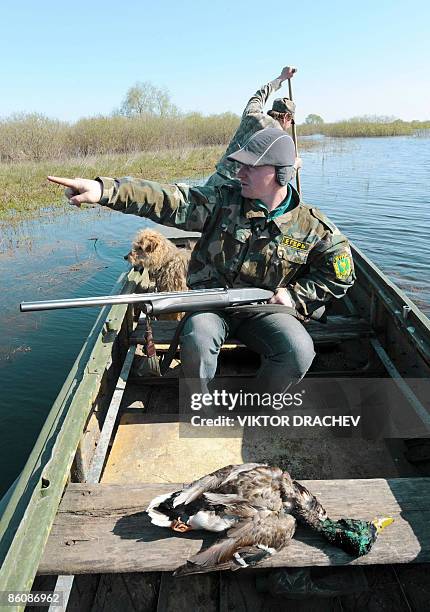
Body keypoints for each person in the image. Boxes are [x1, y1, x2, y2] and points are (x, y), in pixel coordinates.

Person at [48, 128, 354, 397]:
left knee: (298, 351)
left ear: (280, 173)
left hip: (265, 309)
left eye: (251, 167)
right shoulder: (222, 201)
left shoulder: (313, 227)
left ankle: (258, 405)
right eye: (240, 166)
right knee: (196, 339)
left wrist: (295, 296)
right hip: (210, 303)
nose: (239, 173)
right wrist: (105, 191)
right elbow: (169, 199)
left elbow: (341, 274)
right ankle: (201, 403)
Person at [205, 65, 300, 187]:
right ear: (287, 117)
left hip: (216, 179)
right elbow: (282, 178)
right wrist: (295, 166)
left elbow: (259, 96)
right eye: (291, 121)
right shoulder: (278, 138)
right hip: (238, 189)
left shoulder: (252, 115)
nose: (289, 125)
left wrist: (281, 77)